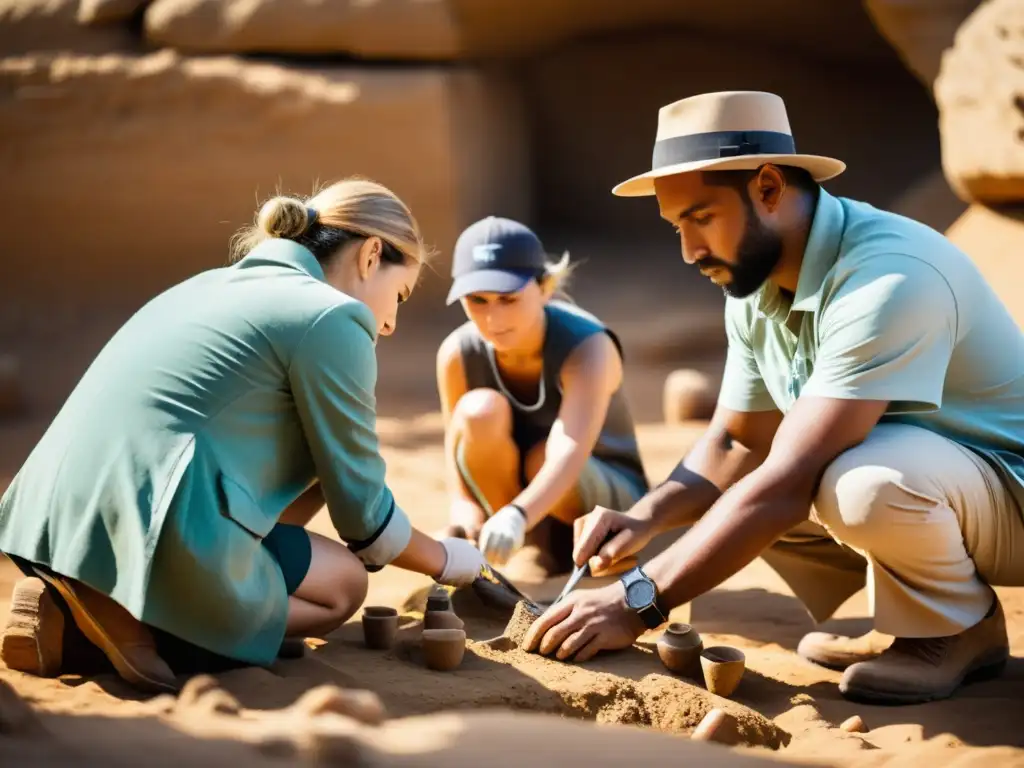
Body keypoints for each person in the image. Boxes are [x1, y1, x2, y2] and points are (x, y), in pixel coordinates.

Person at [522, 90, 1024, 705]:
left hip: (1013, 497)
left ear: (767, 188)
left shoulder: (890, 277)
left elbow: (787, 480)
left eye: (701, 218)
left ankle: (955, 630)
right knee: (789, 471)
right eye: (677, 224)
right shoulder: (756, 285)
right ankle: (916, 615)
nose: (688, 250)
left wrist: (638, 603)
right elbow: (737, 440)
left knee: (855, 481)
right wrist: (643, 519)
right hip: (953, 490)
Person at [0, 177, 488, 692]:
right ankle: (124, 623)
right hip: (155, 520)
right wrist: (447, 559)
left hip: (52, 511)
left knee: (322, 466)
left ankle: (71, 599)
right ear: (370, 257)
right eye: (400, 294)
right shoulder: (332, 317)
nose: (389, 323)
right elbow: (365, 518)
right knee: (342, 588)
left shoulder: (206, 283)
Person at [436, 216, 649, 575]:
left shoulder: (588, 347)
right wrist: (465, 518)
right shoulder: (457, 352)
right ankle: (526, 551)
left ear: (546, 287)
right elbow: (456, 451)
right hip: (512, 511)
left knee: (542, 458)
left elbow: (568, 451)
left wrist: (517, 516)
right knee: (478, 413)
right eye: (477, 300)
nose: (491, 318)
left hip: (601, 501)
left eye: (508, 298)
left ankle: (561, 550)